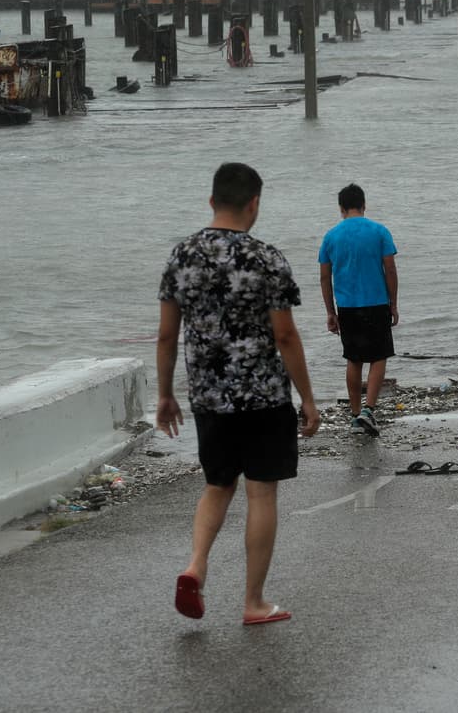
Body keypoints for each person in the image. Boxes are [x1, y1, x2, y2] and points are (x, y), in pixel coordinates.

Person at [156, 162, 320, 626]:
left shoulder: (181, 257)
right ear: (254, 203)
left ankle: (196, 565)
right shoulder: (268, 259)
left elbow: (167, 336)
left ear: (212, 201)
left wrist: (166, 394)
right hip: (264, 395)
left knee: (217, 483)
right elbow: (285, 336)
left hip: (209, 396)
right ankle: (253, 602)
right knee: (261, 493)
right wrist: (308, 398)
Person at [318, 183, 399, 438]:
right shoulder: (379, 231)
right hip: (376, 303)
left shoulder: (331, 236)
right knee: (379, 356)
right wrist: (393, 303)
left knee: (353, 359)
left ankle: (355, 415)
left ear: (341, 208)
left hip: (347, 306)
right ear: (364, 205)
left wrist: (330, 312)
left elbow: (324, 277)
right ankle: (369, 410)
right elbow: (390, 269)